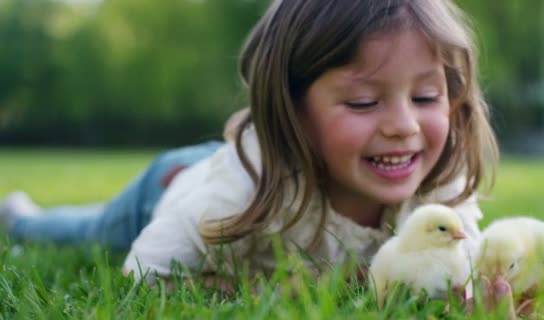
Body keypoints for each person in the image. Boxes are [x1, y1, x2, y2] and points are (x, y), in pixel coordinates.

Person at [1, 0, 517, 314]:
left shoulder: (438, 187)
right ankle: (23, 219)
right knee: (86, 232)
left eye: (426, 97)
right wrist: (234, 290)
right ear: (290, 107)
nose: (404, 125)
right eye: (363, 101)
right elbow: (142, 273)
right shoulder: (232, 194)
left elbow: (458, 267)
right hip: (170, 187)